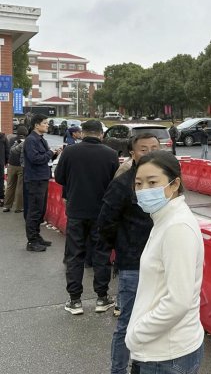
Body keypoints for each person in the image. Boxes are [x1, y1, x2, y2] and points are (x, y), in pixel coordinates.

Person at [125, 151, 205, 374]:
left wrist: (137, 334)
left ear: (174, 184)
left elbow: (177, 301)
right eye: (138, 184)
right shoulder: (164, 218)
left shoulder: (176, 227)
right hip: (162, 349)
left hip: (166, 355)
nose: (144, 190)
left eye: (153, 182)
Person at [98, 133, 161, 374]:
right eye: (144, 149)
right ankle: (118, 369)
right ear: (132, 154)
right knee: (128, 324)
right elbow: (105, 223)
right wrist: (123, 247)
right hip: (133, 265)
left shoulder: (168, 181)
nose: (151, 152)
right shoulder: (123, 184)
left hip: (162, 264)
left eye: (155, 147)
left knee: (156, 324)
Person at [54, 120, 120, 315]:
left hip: (75, 211)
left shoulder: (70, 152)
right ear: (101, 134)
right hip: (101, 212)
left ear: (82, 133)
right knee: (101, 254)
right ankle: (102, 297)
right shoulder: (110, 154)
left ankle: (75, 300)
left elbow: (59, 178)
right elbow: (114, 183)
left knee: (74, 255)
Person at [23, 114, 62, 252]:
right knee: (34, 211)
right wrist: (50, 152)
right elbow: (35, 159)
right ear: (36, 125)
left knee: (41, 210)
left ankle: (37, 236)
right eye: (45, 123)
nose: (47, 125)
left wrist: (55, 153)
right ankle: (31, 241)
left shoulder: (41, 139)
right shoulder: (31, 140)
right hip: (35, 180)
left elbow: (45, 157)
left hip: (42, 178)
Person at [3, 126, 28, 213]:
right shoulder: (27, 141)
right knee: (20, 187)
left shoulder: (11, 140)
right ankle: (18, 207)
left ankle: (6, 206)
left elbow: (8, 151)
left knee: (10, 186)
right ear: (26, 133)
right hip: (21, 166)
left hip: (11, 165)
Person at [0, 130, 9, 207]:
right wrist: (6, 162)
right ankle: (1, 199)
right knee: (0, 180)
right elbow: (7, 151)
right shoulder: (3, 137)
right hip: (0, 162)